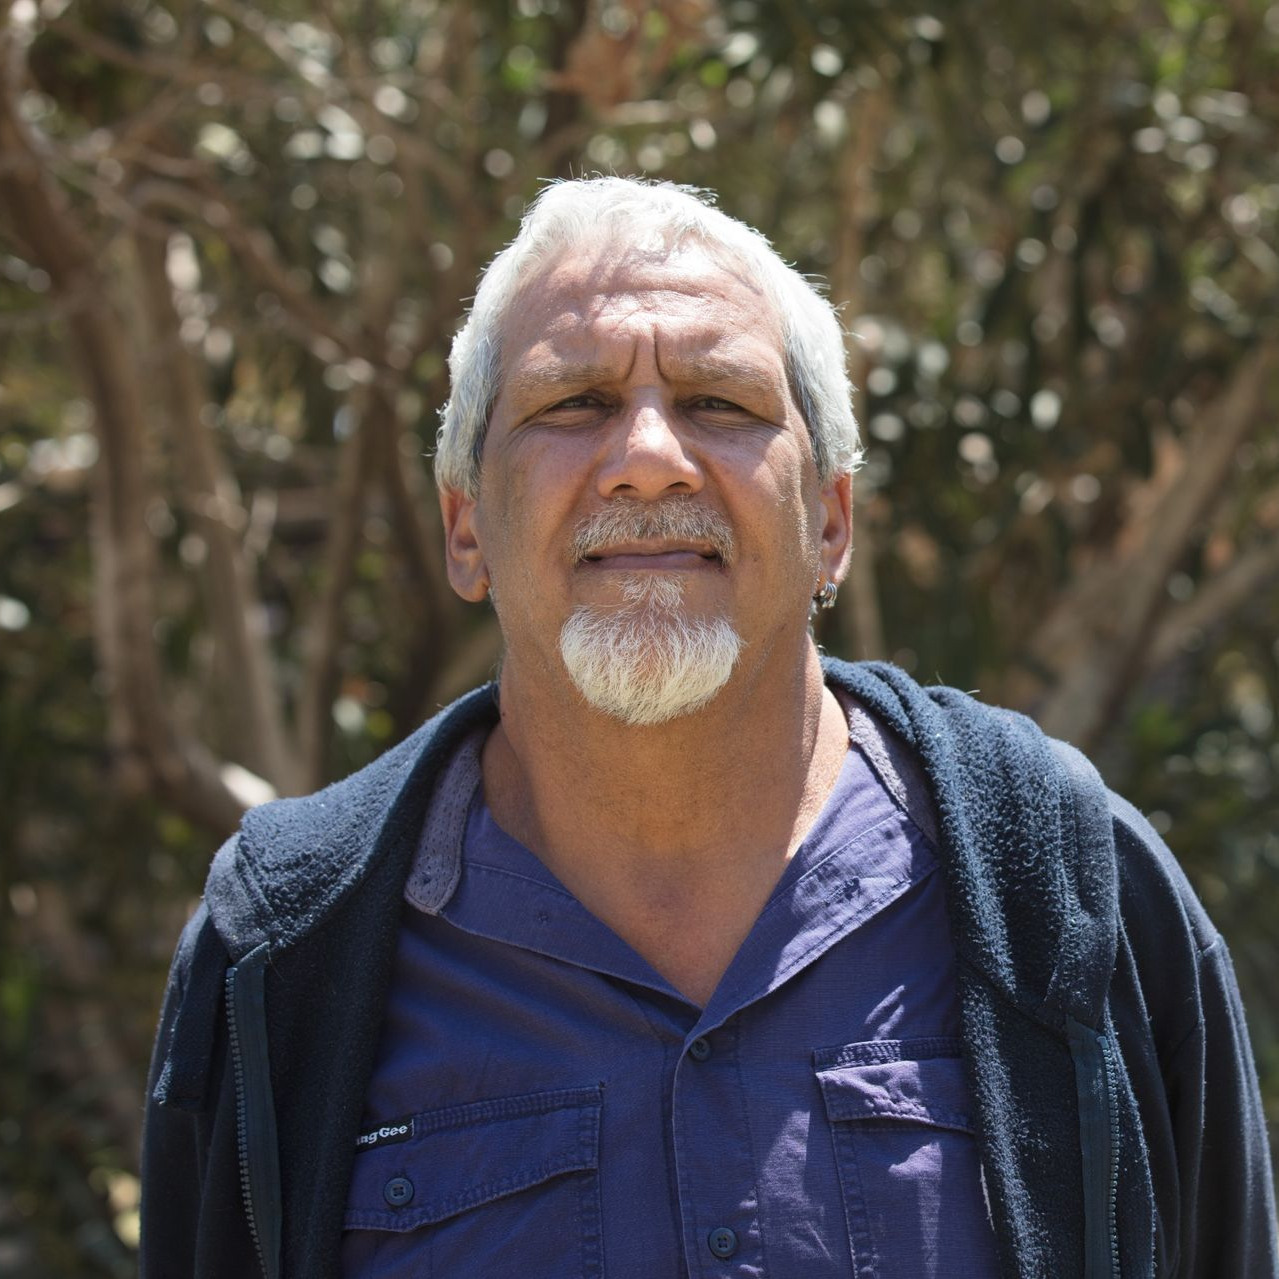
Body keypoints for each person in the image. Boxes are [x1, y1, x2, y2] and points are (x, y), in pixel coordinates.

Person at [140, 177, 1277, 1279]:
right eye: (571, 403)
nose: (646, 459)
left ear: (829, 521)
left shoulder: (1073, 896)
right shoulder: (287, 957)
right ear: (465, 527)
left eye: (719, 404)